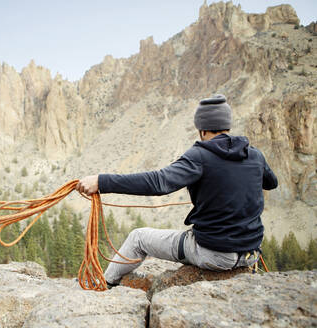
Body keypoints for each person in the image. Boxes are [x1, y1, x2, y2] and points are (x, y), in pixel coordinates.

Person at [76, 95, 278, 288]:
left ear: (202, 129)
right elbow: (271, 183)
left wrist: (101, 181)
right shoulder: (254, 154)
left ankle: (105, 283)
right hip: (250, 254)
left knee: (138, 237)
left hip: (214, 254)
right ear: (227, 125)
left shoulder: (200, 155)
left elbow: (159, 182)